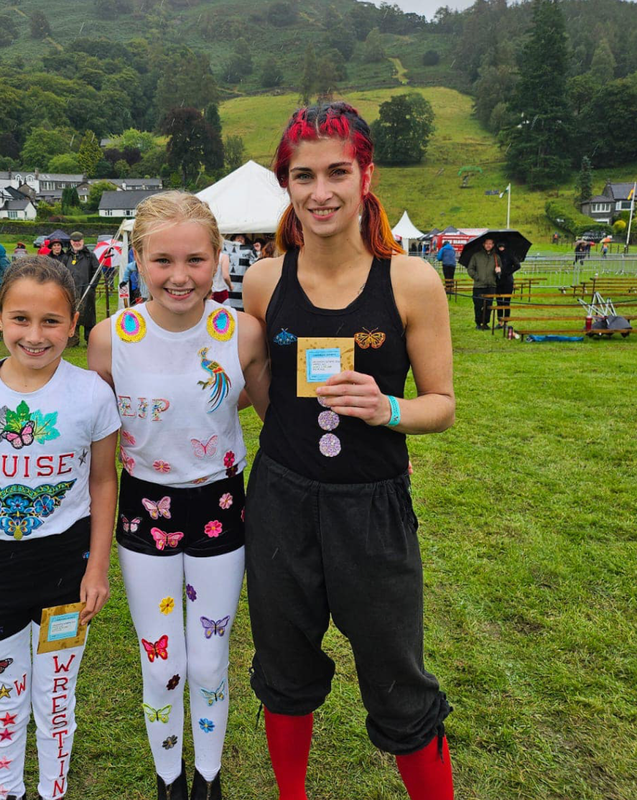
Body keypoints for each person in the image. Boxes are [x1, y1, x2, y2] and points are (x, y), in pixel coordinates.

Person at [242, 102, 455, 800]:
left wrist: (387, 409)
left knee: (398, 683)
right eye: (303, 176)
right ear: (287, 184)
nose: (321, 191)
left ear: (366, 175)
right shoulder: (265, 280)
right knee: (284, 668)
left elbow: (441, 404)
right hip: (280, 502)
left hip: (372, 508)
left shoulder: (411, 280)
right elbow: (259, 387)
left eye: (338, 171)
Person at [87, 191, 269, 800]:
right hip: (145, 514)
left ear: (219, 258)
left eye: (195, 259)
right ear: (137, 258)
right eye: (162, 260)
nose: (179, 275)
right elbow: (101, 444)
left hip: (220, 509)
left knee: (208, 660)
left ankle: (208, 779)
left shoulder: (242, 333)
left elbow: (254, 406)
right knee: (161, 662)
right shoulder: (110, 338)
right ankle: (169, 780)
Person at [0, 256, 120, 800]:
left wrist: (98, 570)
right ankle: (8, 791)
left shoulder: (91, 394)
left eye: (50, 322)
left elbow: (104, 484)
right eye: (20, 319)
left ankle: (53, 791)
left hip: (67, 574)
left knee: (56, 699)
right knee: (6, 699)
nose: (35, 336)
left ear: (73, 321)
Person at [63, 232, 99, 346]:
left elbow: (97, 272)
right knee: (73, 315)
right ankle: (73, 339)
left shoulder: (90, 256)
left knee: (88, 317)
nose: (76, 243)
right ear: (71, 242)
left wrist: (92, 286)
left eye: (79, 241)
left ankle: (90, 340)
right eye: (74, 241)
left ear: (83, 241)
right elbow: (61, 271)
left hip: (87, 291)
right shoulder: (66, 256)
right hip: (71, 291)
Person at [466, 236, 497, 330]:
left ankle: (486, 322)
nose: (488, 245)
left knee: (488, 306)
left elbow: (500, 270)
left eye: (490, 243)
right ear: (484, 244)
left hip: (491, 285)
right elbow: (470, 269)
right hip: (479, 286)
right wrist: (477, 277)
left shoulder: (496, 257)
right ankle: (478, 323)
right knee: (478, 305)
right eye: (487, 243)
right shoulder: (476, 256)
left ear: (493, 245)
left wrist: (498, 271)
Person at [493, 241, 521, 328]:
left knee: (507, 302)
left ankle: (506, 322)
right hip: (498, 280)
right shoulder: (495, 255)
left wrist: (508, 272)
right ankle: (500, 321)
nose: (501, 248)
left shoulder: (510, 254)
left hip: (508, 281)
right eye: (499, 246)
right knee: (499, 302)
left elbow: (517, 265)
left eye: (502, 246)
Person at [226, 234, 252, 311]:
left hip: (241, 285)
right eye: (238, 238)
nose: (240, 240)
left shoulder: (248, 252)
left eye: (242, 238)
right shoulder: (225, 252)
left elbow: (254, 263)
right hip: (228, 286)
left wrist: (255, 251)